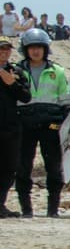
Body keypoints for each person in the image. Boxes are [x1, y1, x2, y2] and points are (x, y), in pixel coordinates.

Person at [13, 29, 70, 218]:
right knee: (23, 166)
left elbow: (65, 101)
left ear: (46, 49)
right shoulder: (16, 70)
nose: (36, 51)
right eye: (31, 47)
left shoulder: (58, 71)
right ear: (25, 50)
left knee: (53, 167)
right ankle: (26, 210)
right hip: (25, 124)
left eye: (39, 47)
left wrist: (61, 123)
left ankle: (53, 210)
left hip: (50, 126)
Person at [0, 36, 20, 217]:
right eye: (1, 49)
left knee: (9, 167)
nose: (4, 52)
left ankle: (1, 204)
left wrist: (11, 82)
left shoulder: (16, 70)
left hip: (10, 127)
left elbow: (26, 95)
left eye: (7, 49)